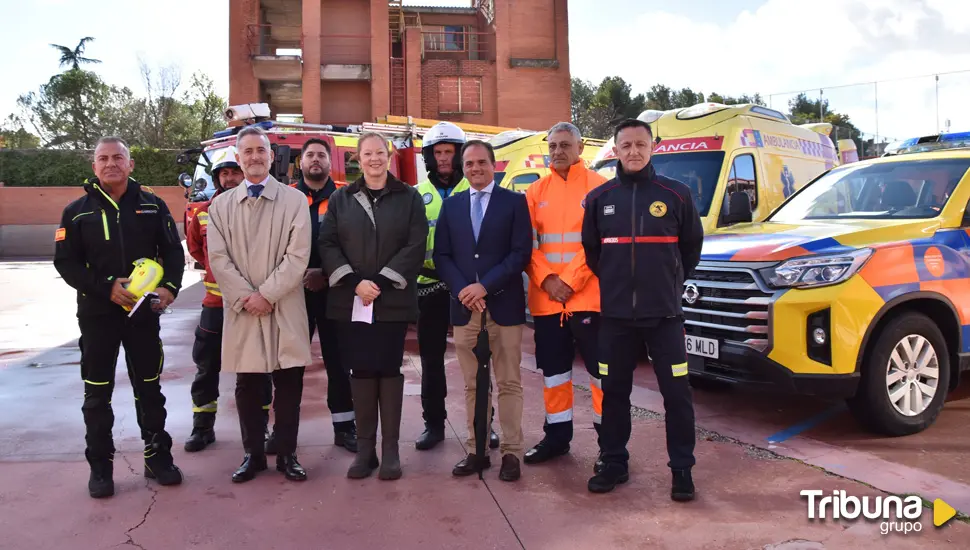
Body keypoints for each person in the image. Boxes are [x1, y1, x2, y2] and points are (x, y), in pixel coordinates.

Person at [54, 136, 186, 498]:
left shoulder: (152, 206)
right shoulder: (76, 211)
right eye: (103, 158)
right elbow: (65, 263)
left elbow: (173, 254)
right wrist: (107, 286)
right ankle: (101, 466)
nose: (111, 163)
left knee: (149, 389)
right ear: (93, 167)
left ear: (131, 164)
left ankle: (157, 458)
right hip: (97, 316)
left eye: (118, 157)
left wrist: (169, 289)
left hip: (142, 316)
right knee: (97, 394)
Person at [581, 118, 703, 498]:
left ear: (653, 148)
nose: (633, 151)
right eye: (626, 145)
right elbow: (593, 252)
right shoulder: (600, 199)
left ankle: (682, 469)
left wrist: (665, 283)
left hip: (664, 318)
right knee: (613, 393)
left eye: (640, 144)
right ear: (614, 150)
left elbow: (690, 251)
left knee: (677, 395)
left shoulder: (676, 194)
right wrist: (620, 287)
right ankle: (614, 461)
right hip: (615, 319)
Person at [206, 125, 313, 483]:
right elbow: (218, 260)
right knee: (248, 386)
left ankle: (287, 454)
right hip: (244, 310)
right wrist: (247, 297)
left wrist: (266, 294)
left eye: (260, 151)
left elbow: (298, 257)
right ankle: (252, 455)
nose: (254, 157)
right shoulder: (220, 207)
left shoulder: (296, 200)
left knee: (289, 384)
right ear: (238, 157)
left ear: (272, 156)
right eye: (247, 151)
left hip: (283, 305)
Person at [319, 132, 427, 481]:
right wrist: (356, 284)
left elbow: (415, 243)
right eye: (367, 154)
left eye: (379, 153)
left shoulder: (409, 197)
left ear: (389, 155)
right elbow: (328, 243)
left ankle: (390, 450)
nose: (374, 159)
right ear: (357, 159)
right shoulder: (341, 198)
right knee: (361, 371)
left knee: (389, 370)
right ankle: (365, 451)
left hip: (392, 301)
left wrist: (379, 281)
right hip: (352, 301)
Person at [433, 140, 532, 482]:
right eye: (469, 164)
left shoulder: (515, 203)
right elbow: (442, 255)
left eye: (481, 162)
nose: (475, 168)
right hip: (465, 310)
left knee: (508, 382)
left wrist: (484, 286)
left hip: (503, 306)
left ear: (493, 165)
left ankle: (511, 453)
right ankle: (477, 451)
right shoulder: (453, 206)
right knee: (474, 385)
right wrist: (465, 290)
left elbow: (520, 254)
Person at [523, 122, 608, 467]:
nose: (557, 152)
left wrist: (569, 281)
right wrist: (547, 280)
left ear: (581, 147)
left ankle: (610, 443)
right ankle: (557, 437)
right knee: (555, 374)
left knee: (602, 376)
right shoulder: (535, 192)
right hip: (547, 301)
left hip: (590, 299)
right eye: (552, 146)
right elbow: (524, 244)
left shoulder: (600, 189)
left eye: (564, 145)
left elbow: (600, 243)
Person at [412, 122, 500, 451]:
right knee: (431, 360)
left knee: (479, 359)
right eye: (439, 153)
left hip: (469, 288)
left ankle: (484, 423)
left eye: (450, 152)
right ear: (429, 157)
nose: (445, 158)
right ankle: (433, 424)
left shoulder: (477, 188)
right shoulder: (416, 194)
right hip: (429, 288)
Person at [183, 146, 273, 453]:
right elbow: (197, 250)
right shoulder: (203, 212)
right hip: (215, 306)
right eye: (225, 173)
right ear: (217, 178)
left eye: (236, 172)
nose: (231, 178)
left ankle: (259, 428)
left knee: (257, 368)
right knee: (206, 366)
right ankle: (202, 427)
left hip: (250, 307)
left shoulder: (259, 208)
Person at [282, 137, 358, 454]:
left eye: (321, 155)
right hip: (293, 293)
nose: (315, 160)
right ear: (300, 162)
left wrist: (327, 275)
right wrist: (297, 276)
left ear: (330, 162)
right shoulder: (286, 198)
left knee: (339, 362)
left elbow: (355, 244)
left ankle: (345, 427)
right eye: (310, 155)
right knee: (288, 364)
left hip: (334, 291)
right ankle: (283, 432)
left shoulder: (345, 197)